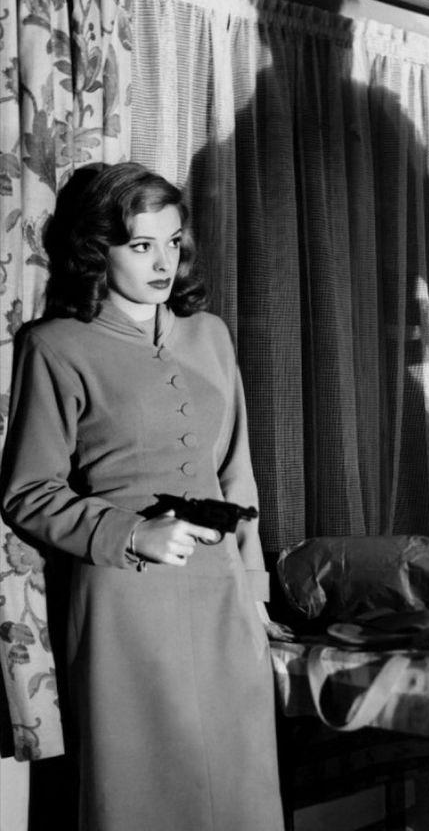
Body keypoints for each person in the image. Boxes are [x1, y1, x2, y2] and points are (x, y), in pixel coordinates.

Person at [0, 162, 287, 831]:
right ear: (95, 250)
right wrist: (131, 533)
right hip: (122, 603)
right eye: (140, 245)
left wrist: (255, 594)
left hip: (222, 598)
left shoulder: (209, 335)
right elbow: (27, 491)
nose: (163, 262)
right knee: (145, 792)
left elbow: (235, 473)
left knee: (241, 784)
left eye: (173, 241)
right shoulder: (54, 347)